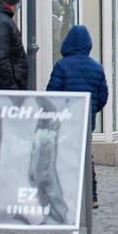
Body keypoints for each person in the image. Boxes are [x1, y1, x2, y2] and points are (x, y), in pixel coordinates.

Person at [45, 24, 109, 209]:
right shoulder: (96, 68)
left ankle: (65, 194)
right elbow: (103, 96)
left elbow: (52, 93)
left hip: (65, 121)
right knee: (86, 157)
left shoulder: (61, 66)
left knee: (63, 156)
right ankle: (91, 196)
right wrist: (92, 109)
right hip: (86, 121)